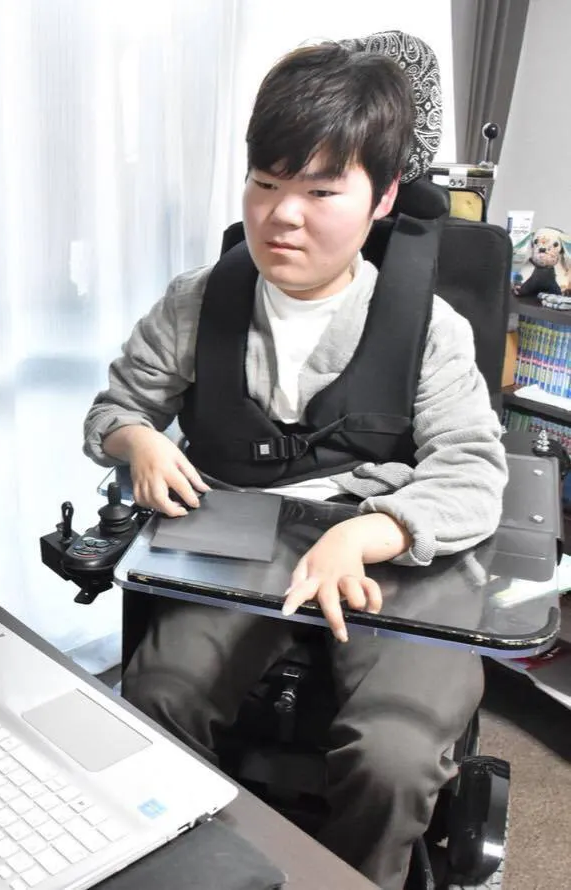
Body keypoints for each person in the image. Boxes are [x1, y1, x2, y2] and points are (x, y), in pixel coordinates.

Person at [82, 40, 508, 890]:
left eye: (320, 191)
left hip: (387, 554)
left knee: (392, 757)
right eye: (266, 183)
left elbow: (471, 473)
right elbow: (114, 410)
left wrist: (372, 532)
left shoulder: (429, 327)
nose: (282, 216)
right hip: (241, 538)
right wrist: (139, 441)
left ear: (383, 198)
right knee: (158, 697)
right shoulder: (200, 301)